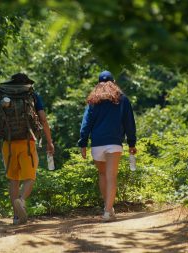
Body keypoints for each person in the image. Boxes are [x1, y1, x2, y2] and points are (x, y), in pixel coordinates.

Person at [0, 73, 55, 225]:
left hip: (8, 144)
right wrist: (49, 142)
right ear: (27, 83)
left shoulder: (4, 98)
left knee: (13, 179)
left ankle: (16, 216)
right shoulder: (33, 96)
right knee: (30, 177)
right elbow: (43, 119)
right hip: (28, 141)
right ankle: (22, 200)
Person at [78, 70, 137, 222]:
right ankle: (107, 211)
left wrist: (83, 143)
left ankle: (108, 208)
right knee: (111, 177)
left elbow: (86, 124)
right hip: (114, 143)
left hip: (97, 144)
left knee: (103, 175)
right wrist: (132, 143)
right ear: (113, 82)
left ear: (98, 83)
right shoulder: (122, 99)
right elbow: (129, 123)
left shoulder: (93, 100)